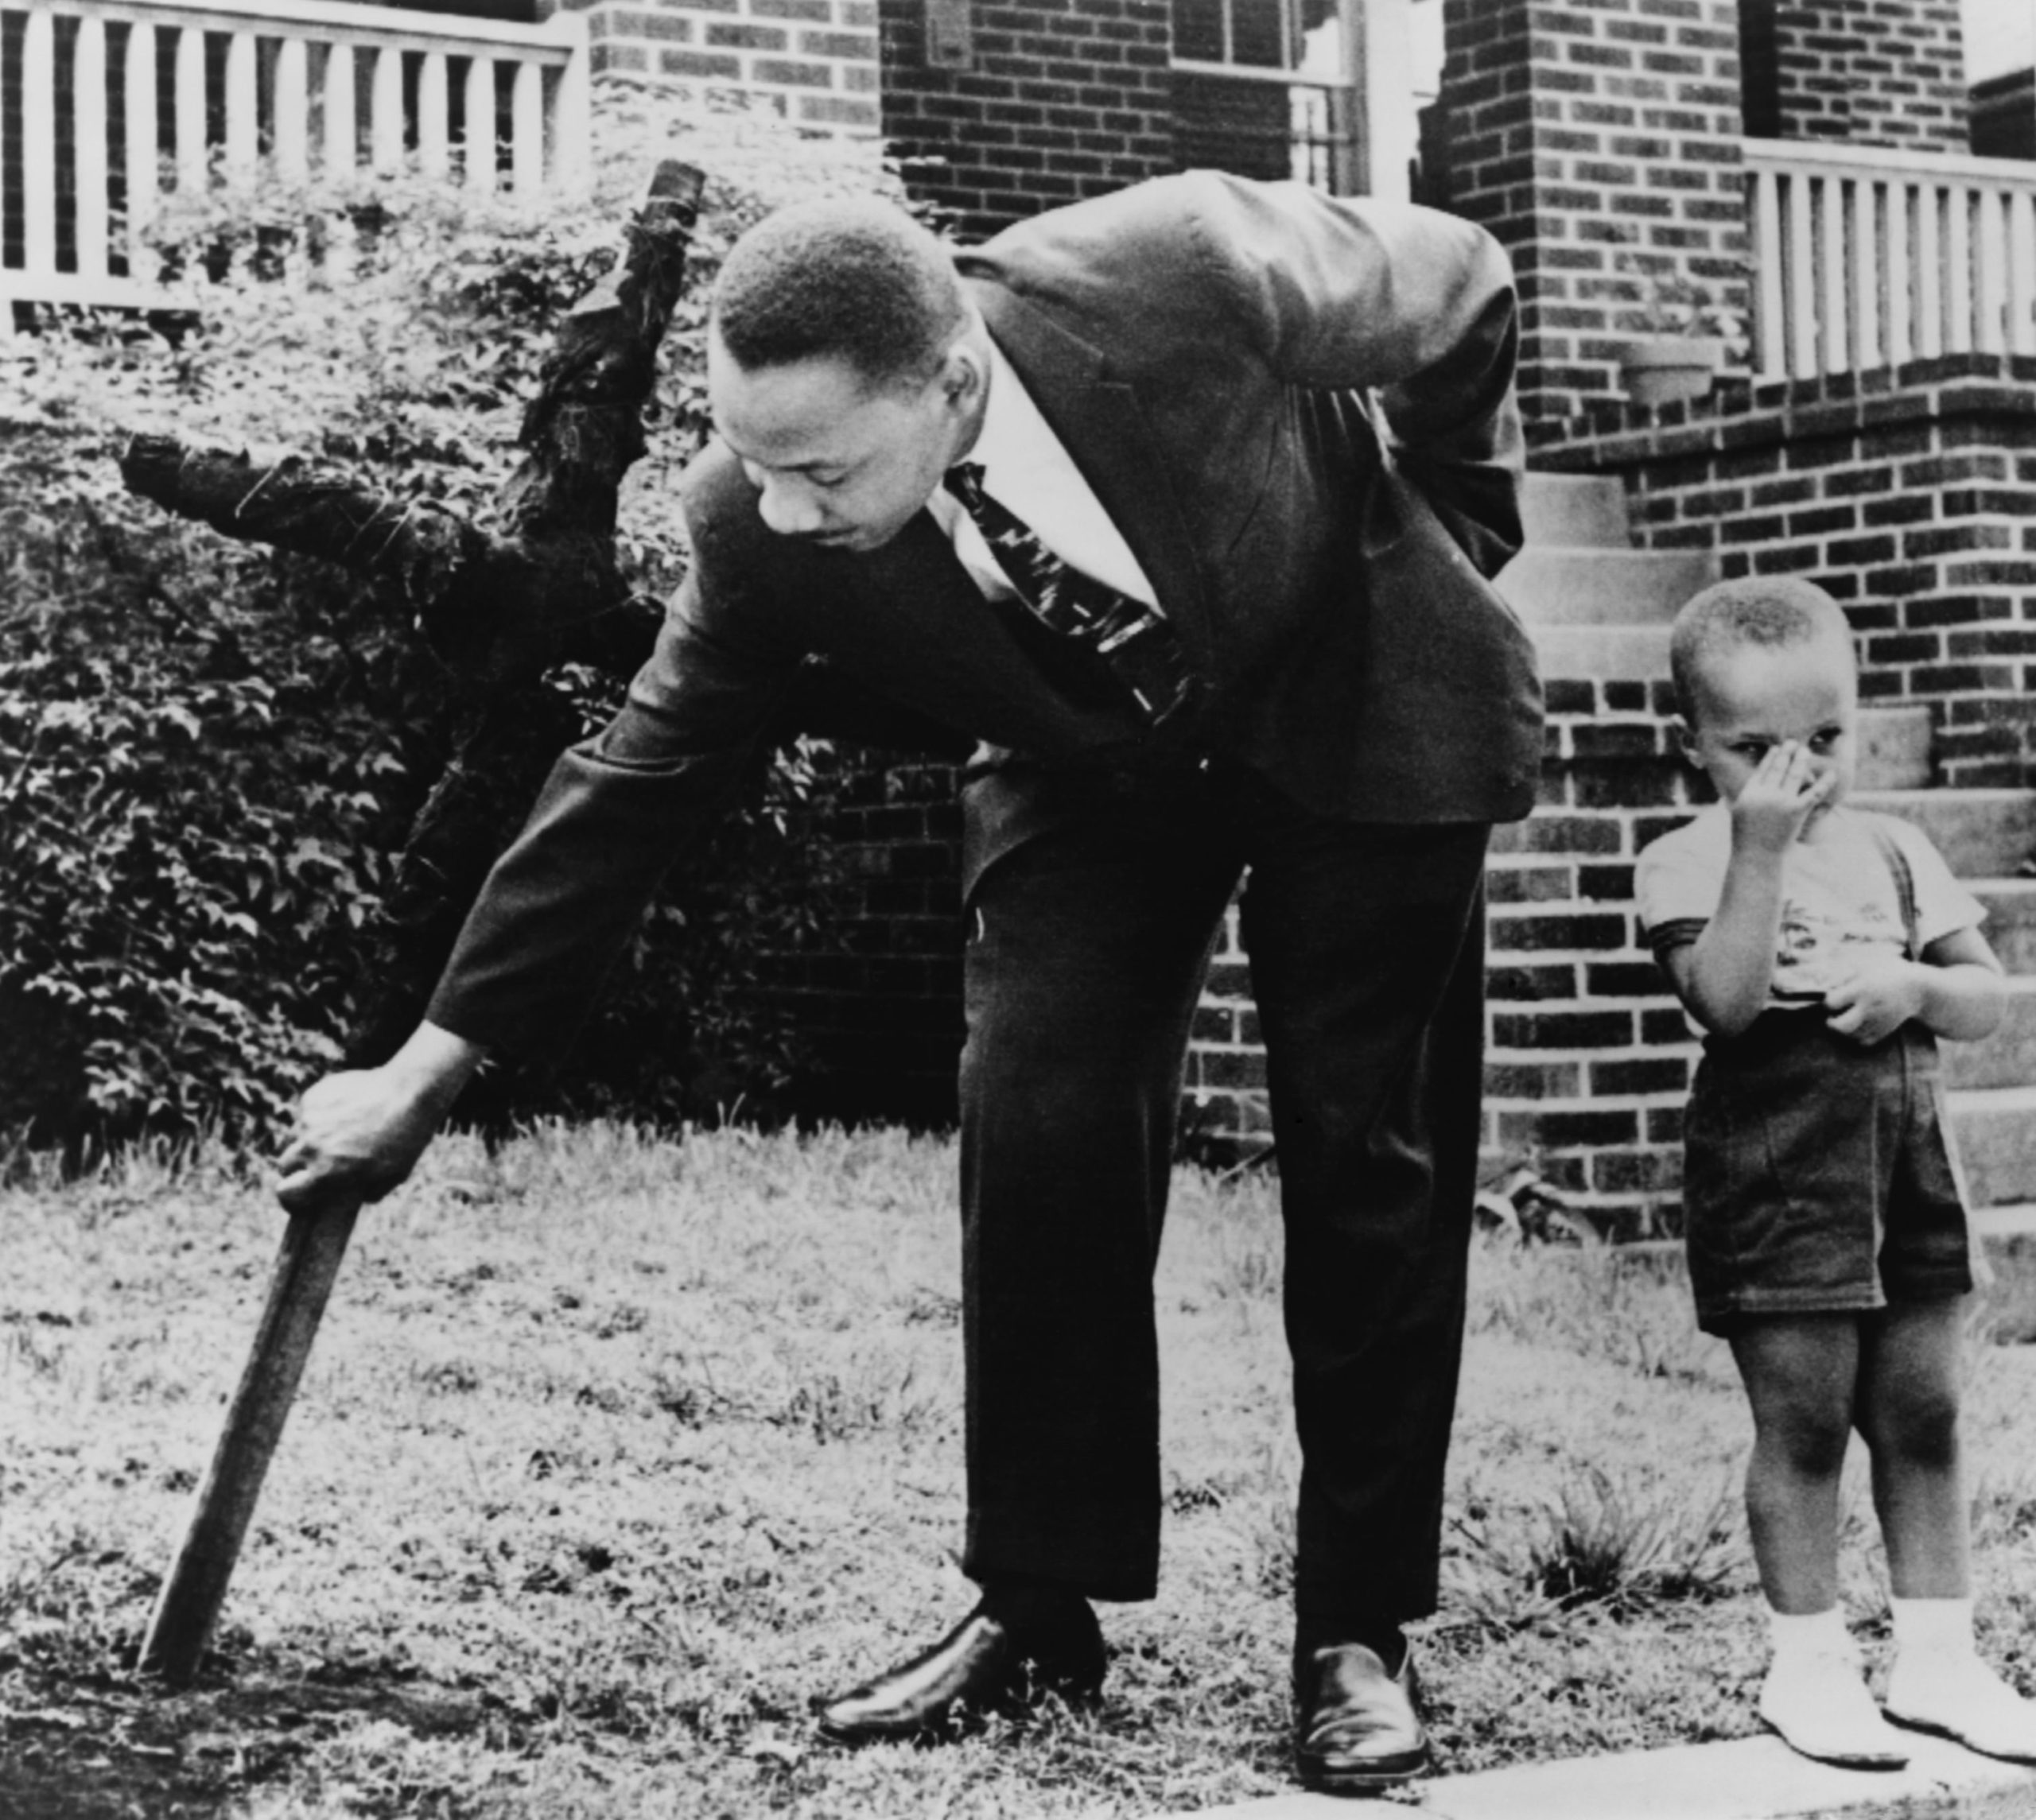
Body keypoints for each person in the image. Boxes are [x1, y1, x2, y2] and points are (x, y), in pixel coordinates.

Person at [276, 175, 1542, 1792]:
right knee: (1035, 1119)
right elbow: (632, 784)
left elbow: (1460, 282)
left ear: (947, 384)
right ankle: (1037, 1601)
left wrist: (1450, 515)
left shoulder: (1176, 272)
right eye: (757, 460)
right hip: (1093, 757)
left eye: (821, 469)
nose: (785, 511)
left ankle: (1353, 1628)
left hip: (1360, 689)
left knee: (1365, 1151)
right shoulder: (755, 525)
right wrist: (423, 1067)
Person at [1636, 576, 2036, 1771]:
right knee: (1805, 1416)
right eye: (1756, 748)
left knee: (1924, 1407)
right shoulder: (1687, 856)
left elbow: (1985, 999)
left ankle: (1938, 1657)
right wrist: (1756, 849)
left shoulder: (1897, 847)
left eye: (1825, 740)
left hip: (1907, 1149)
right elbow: (1726, 1000)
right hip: (1779, 1161)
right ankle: (1806, 1667)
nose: (1796, 771)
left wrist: (1915, 986)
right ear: (1694, 748)